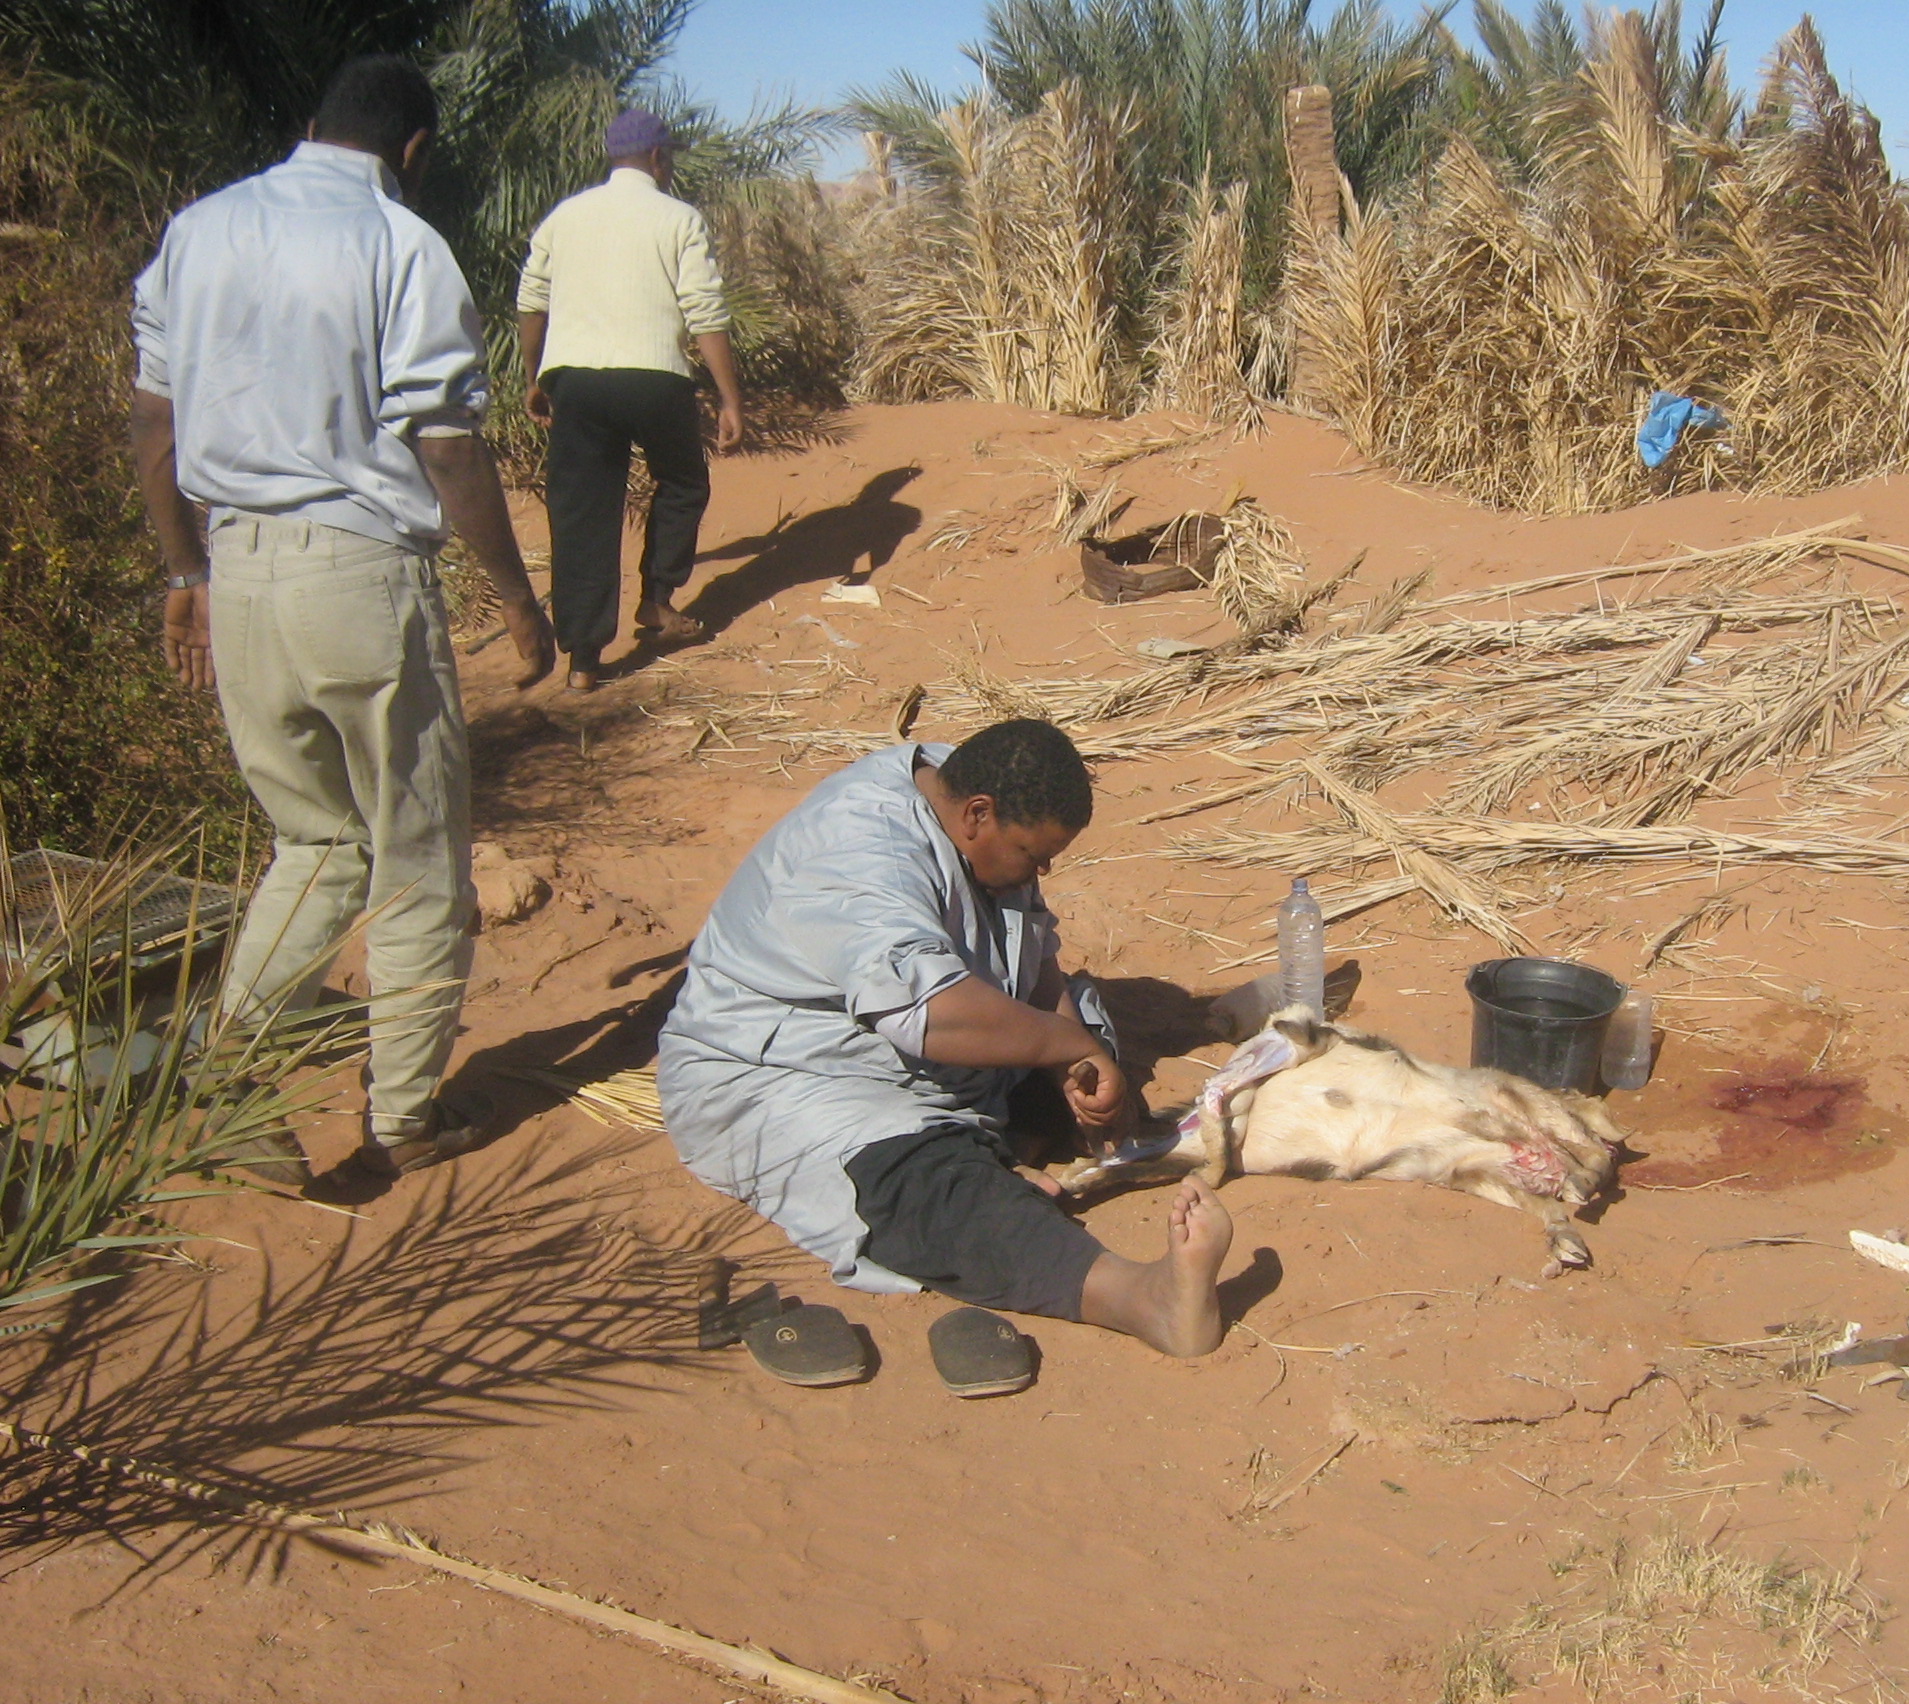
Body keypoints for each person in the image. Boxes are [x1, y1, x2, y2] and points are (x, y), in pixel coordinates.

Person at [130, 55, 555, 1183]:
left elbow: (153, 425)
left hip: (239, 571)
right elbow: (447, 442)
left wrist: (183, 575)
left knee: (314, 845)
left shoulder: (198, 231)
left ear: (310, 124)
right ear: (412, 151)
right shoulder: (401, 245)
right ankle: (405, 1115)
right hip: (358, 572)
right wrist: (517, 597)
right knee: (419, 857)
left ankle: (226, 1089)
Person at [658, 719, 1233, 1393]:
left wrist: (1068, 1063)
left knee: (1086, 1059)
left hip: (925, 1057)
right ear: (977, 816)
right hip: (782, 1075)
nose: (1040, 872)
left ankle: (996, 1150)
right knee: (921, 1187)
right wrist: (1063, 1043)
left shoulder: (964, 796)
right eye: (1031, 855)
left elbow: (1032, 963)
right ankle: (1141, 1298)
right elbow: (929, 1014)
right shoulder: (860, 854)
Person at [515, 108, 745, 693]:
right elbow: (705, 311)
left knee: (582, 510)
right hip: (654, 378)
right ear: (659, 158)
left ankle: (585, 659)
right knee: (684, 482)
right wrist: (729, 398)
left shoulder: (565, 217)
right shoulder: (678, 218)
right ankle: (658, 601)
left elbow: (532, 301)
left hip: (578, 379)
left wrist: (535, 375)